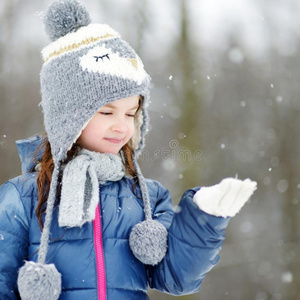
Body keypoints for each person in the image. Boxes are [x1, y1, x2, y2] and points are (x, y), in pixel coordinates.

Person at [0, 1, 257, 299]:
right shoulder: (22, 198)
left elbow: (177, 278)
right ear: (67, 117)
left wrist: (205, 218)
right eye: (107, 113)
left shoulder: (145, 196)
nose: (122, 127)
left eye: (131, 113)